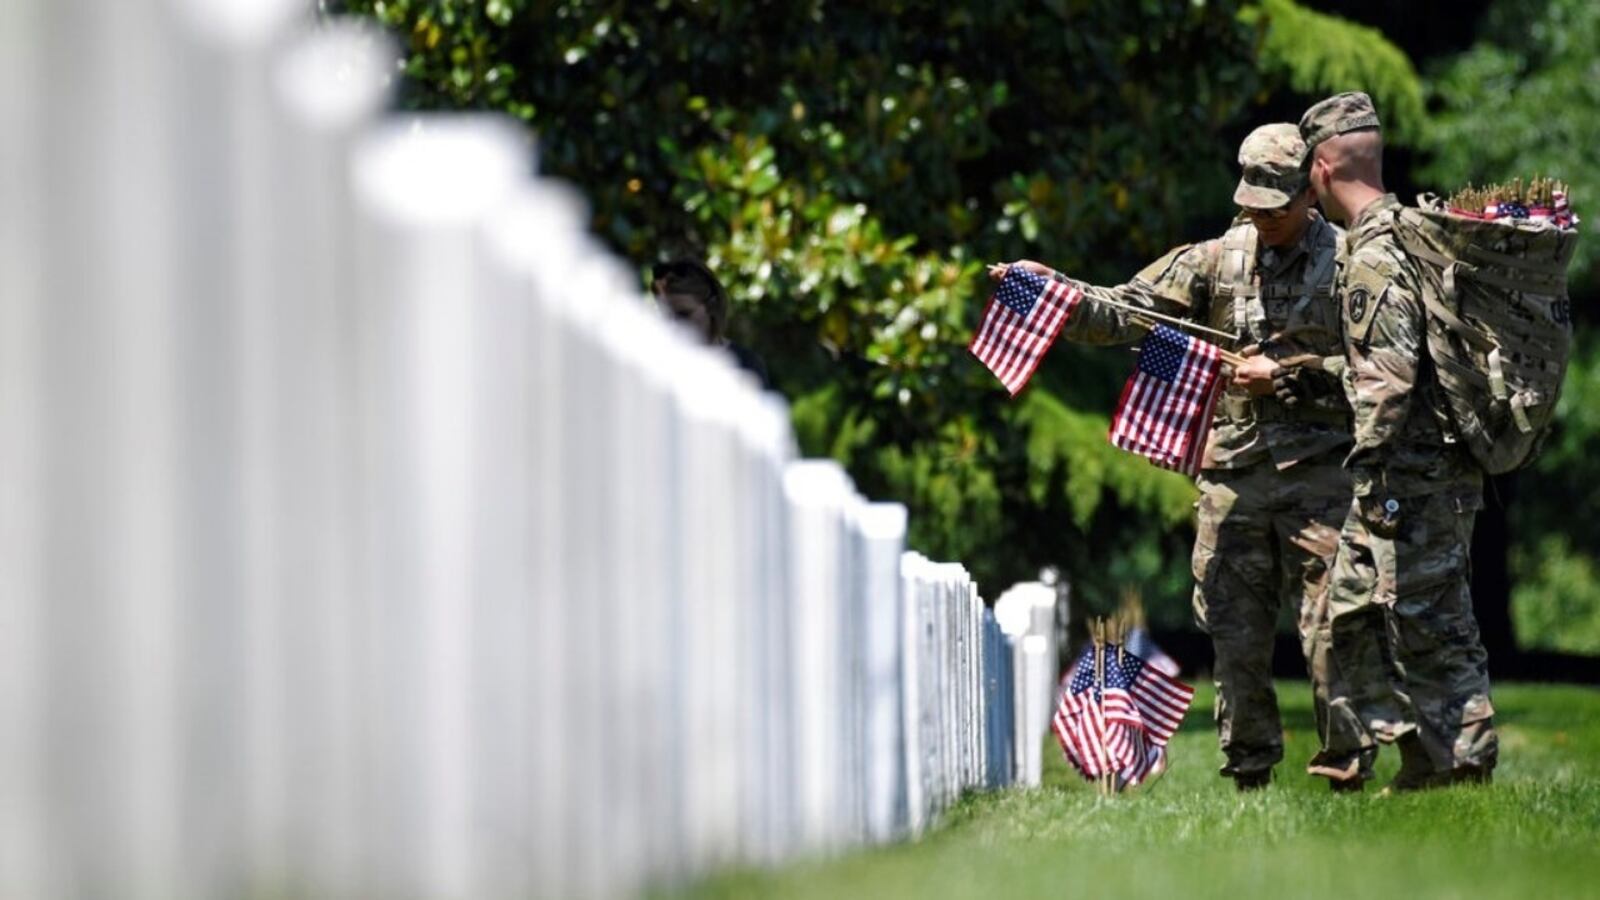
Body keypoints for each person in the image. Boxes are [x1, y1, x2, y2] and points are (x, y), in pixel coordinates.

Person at [996, 123, 1397, 791]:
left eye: (1277, 206)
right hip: (1232, 478)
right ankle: (1249, 772)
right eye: (1253, 206)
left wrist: (1292, 373)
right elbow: (1126, 312)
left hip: (1325, 477)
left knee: (1333, 627)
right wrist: (1055, 289)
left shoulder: (1354, 262)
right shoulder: (1215, 260)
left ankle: (1346, 761)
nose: (1263, 219)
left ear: (1309, 194)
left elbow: (1384, 369)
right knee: (1235, 636)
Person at [1298, 92, 1497, 791]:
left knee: (1434, 621)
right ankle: (1412, 753)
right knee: (1345, 611)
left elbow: (1388, 375)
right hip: (1411, 472)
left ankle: (1466, 763)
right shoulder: (1405, 232)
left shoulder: (1377, 252)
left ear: (1322, 168)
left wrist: (1365, 468)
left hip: (1411, 475)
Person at [650, 257, 772, 390]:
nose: (674, 325)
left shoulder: (746, 365)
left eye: (683, 315)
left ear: (711, 305)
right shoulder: (656, 366)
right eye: (666, 317)